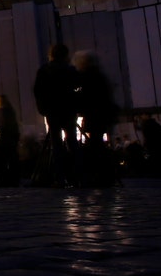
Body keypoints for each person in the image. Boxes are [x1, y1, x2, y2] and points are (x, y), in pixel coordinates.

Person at [33, 43, 80, 187]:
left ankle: (59, 177)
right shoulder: (71, 70)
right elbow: (78, 89)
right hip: (68, 110)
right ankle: (77, 176)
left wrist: (43, 109)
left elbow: (38, 91)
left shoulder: (45, 70)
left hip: (53, 111)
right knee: (73, 143)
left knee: (57, 144)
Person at [73, 51, 119, 188]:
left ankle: (101, 176)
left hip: (96, 115)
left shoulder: (88, 76)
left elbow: (87, 97)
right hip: (102, 114)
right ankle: (105, 175)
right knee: (98, 145)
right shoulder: (98, 75)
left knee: (96, 146)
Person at [0, 94, 21, 187]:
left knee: (0, 162)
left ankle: (1, 180)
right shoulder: (11, 112)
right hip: (11, 140)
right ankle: (13, 179)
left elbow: (1, 126)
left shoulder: (1, 111)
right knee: (11, 161)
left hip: (2, 141)